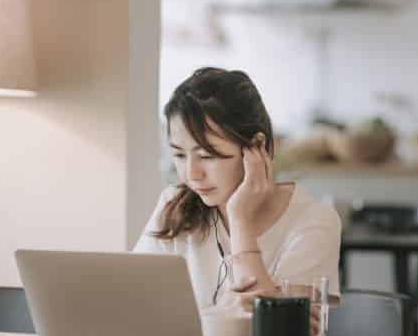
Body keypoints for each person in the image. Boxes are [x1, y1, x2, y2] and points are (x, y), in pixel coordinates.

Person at [134, 68, 342, 320]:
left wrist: (240, 218)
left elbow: (283, 333)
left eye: (207, 156)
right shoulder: (173, 206)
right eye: (179, 155)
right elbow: (133, 303)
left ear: (256, 148)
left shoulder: (314, 221)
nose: (191, 174)